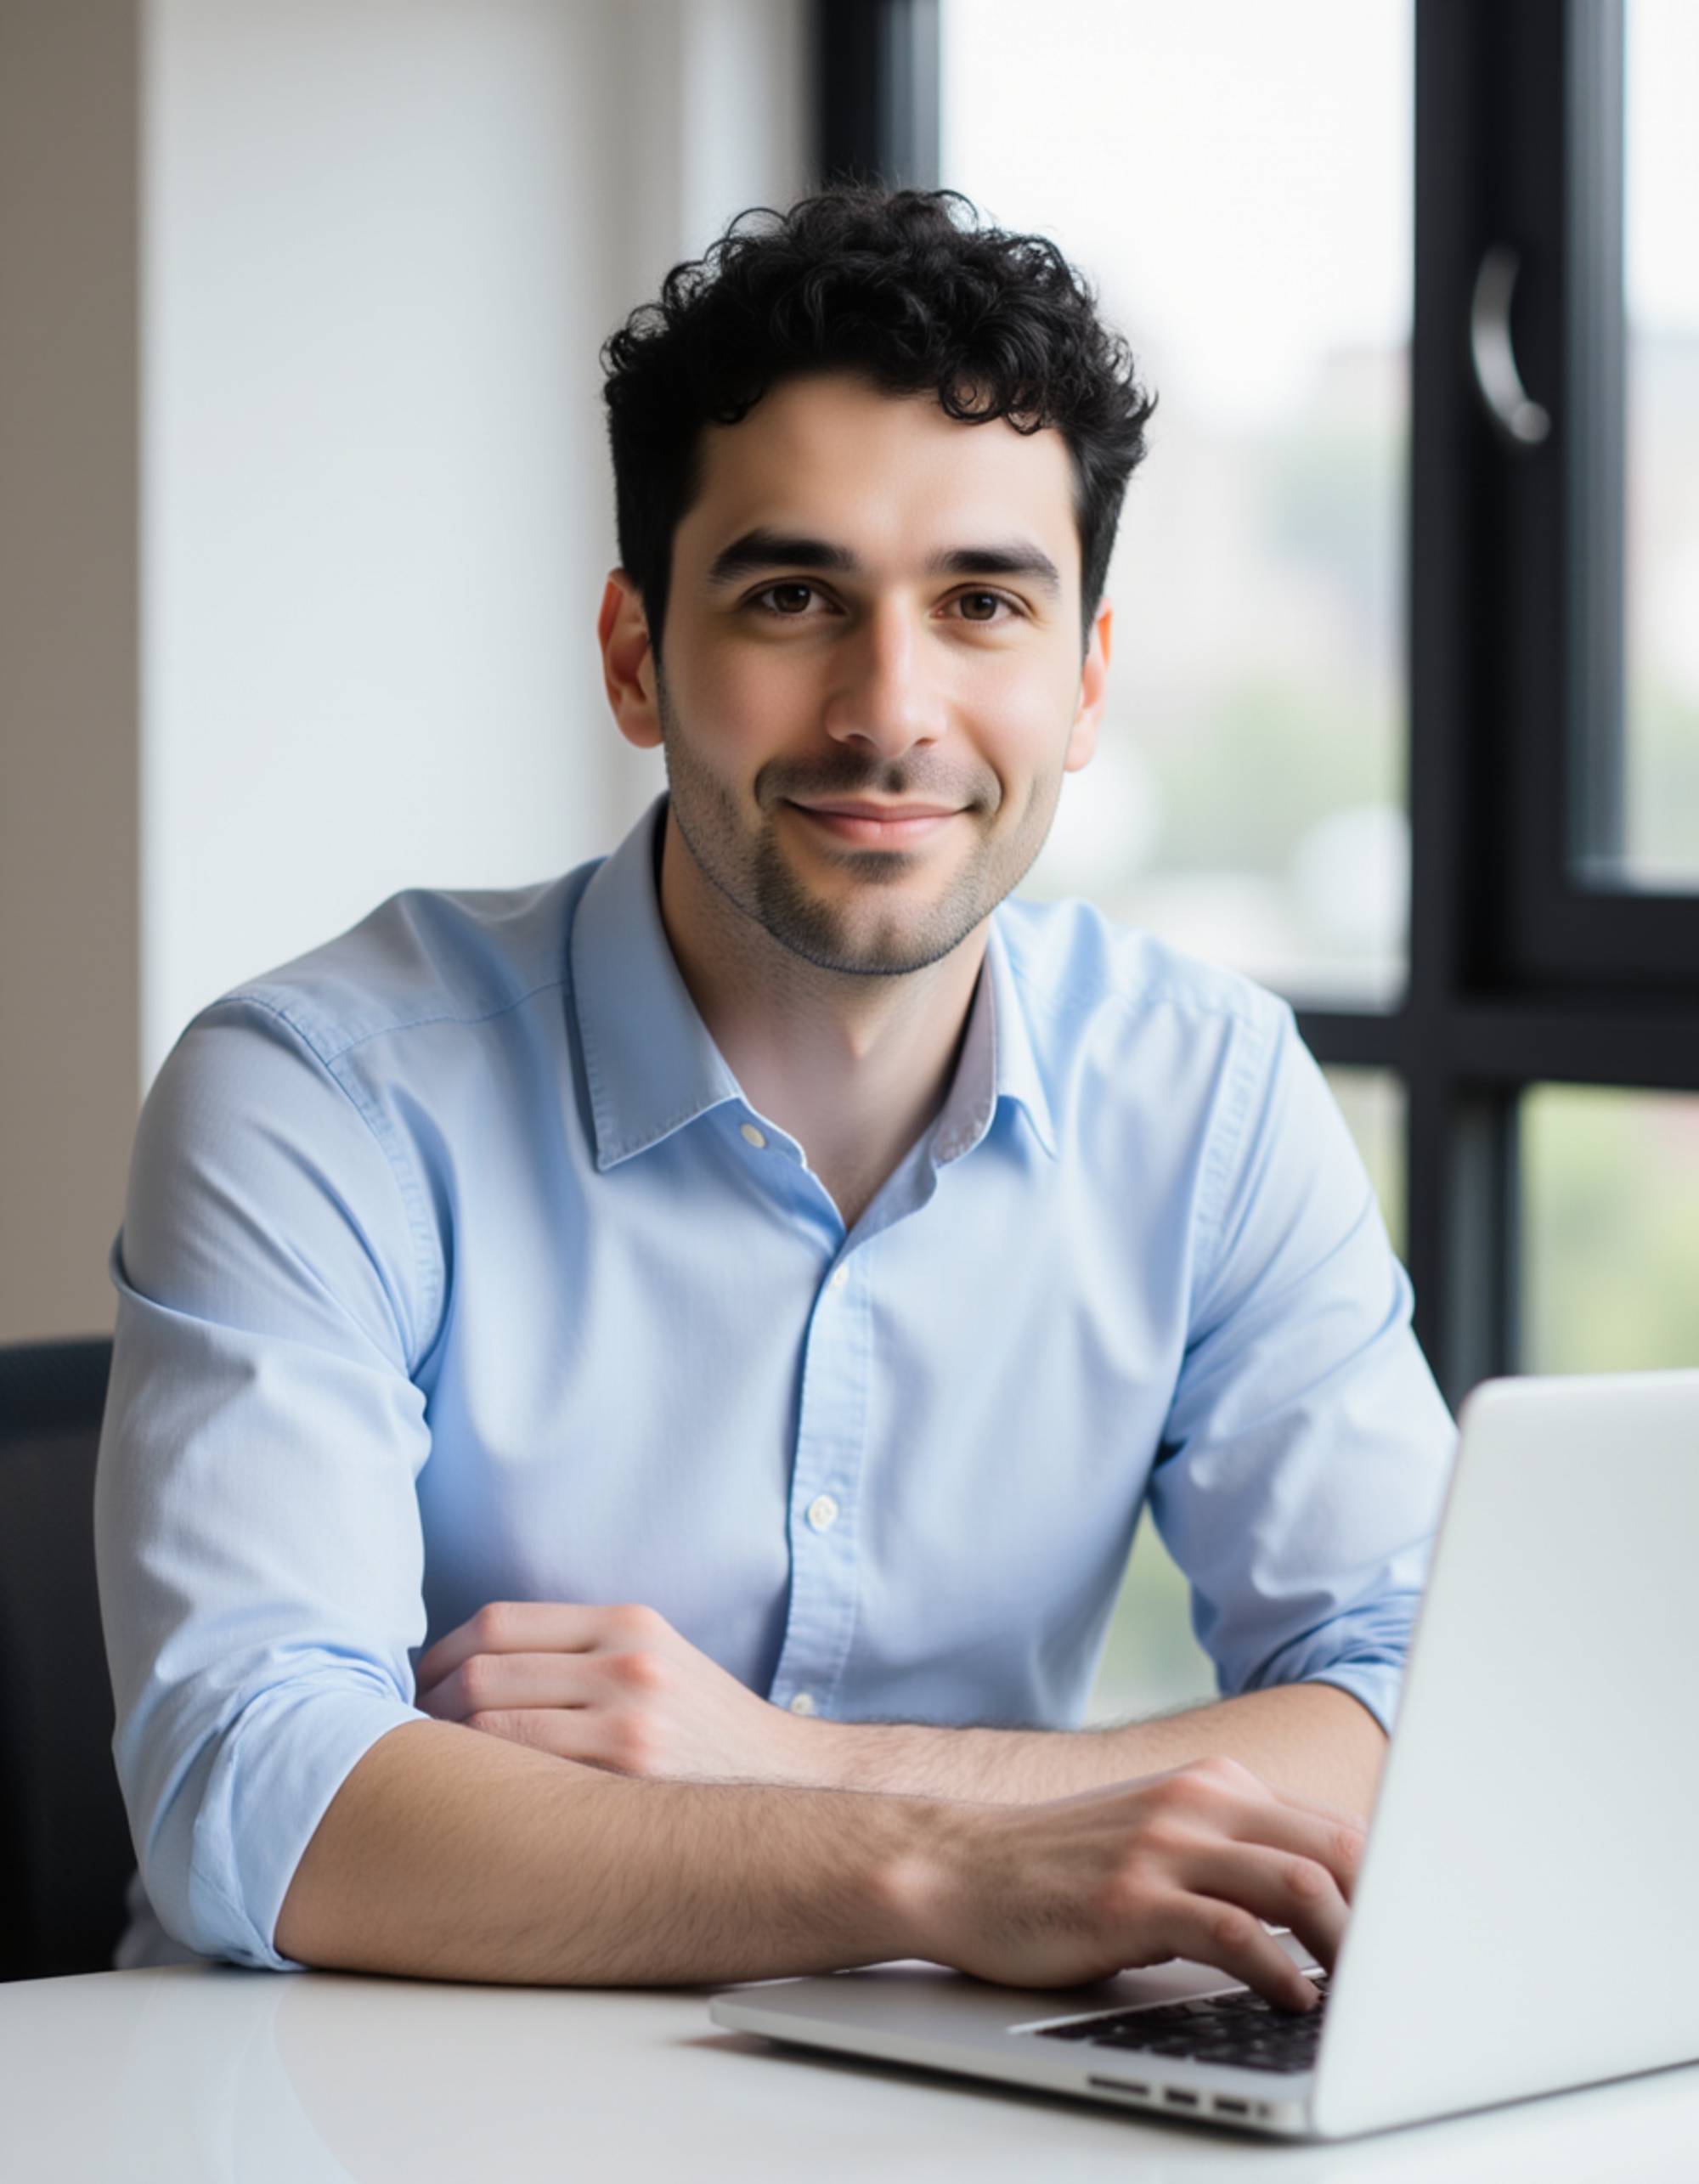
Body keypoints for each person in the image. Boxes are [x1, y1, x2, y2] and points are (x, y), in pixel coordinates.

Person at [94, 185, 1454, 2010]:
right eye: (792, 594)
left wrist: (798, 1764)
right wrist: (942, 1860)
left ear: (1085, 683)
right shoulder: (320, 1098)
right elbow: (256, 1792)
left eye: (982, 602)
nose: (888, 708)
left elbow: (1419, 1706)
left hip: (957, 2107)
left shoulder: (1206, 1096)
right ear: (636, 656)